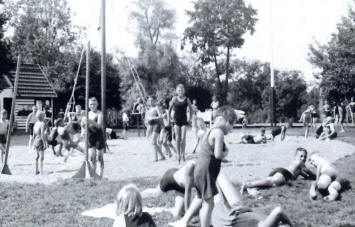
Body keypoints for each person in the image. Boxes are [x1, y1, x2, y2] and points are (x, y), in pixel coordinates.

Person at [170, 106, 236, 227]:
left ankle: (189, 221)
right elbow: (217, 154)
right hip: (206, 172)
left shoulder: (211, 130)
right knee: (209, 203)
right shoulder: (219, 132)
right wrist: (225, 153)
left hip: (200, 170)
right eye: (232, 125)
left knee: (201, 199)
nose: (231, 129)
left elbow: (207, 150)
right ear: (227, 122)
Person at [211, 174, 294, 227]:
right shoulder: (269, 222)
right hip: (239, 210)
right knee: (218, 175)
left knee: (213, 176)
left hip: (227, 218)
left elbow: (278, 211)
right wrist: (248, 209)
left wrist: (291, 225)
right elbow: (255, 215)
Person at [241, 147, 315, 193]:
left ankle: (253, 187)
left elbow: (305, 175)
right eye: (301, 156)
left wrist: (308, 177)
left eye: (305, 157)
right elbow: (309, 172)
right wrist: (317, 176)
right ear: (295, 156)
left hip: (282, 172)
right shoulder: (299, 162)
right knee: (272, 182)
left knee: (271, 183)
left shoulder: (298, 168)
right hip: (285, 173)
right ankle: (248, 184)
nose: (303, 158)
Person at [168, 84, 193, 163]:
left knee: (183, 138)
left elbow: (191, 109)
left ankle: (183, 154)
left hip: (184, 120)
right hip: (176, 120)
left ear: (184, 91)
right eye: (179, 90)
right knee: (177, 138)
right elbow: (169, 109)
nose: (180, 92)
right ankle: (178, 154)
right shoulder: (174, 99)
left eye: (181, 90)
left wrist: (190, 118)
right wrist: (170, 118)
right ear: (176, 91)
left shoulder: (187, 99)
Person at [87, 97, 105, 178]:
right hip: (90, 136)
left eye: (94, 104)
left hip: (98, 136)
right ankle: (94, 175)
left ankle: (101, 175)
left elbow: (99, 126)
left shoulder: (99, 114)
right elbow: (84, 125)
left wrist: (91, 121)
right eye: (91, 104)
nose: (92, 106)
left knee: (99, 157)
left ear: (97, 105)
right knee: (91, 157)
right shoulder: (88, 114)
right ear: (88, 105)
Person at [147, 97, 166, 162]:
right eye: (149, 101)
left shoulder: (156, 108)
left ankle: (156, 158)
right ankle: (162, 156)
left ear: (154, 101)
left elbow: (161, 116)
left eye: (152, 100)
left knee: (153, 142)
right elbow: (148, 119)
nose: (150, 102)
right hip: (151, 125)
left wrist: (153, 118)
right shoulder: (149, 109)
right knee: (154, 142)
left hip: (157, 125)